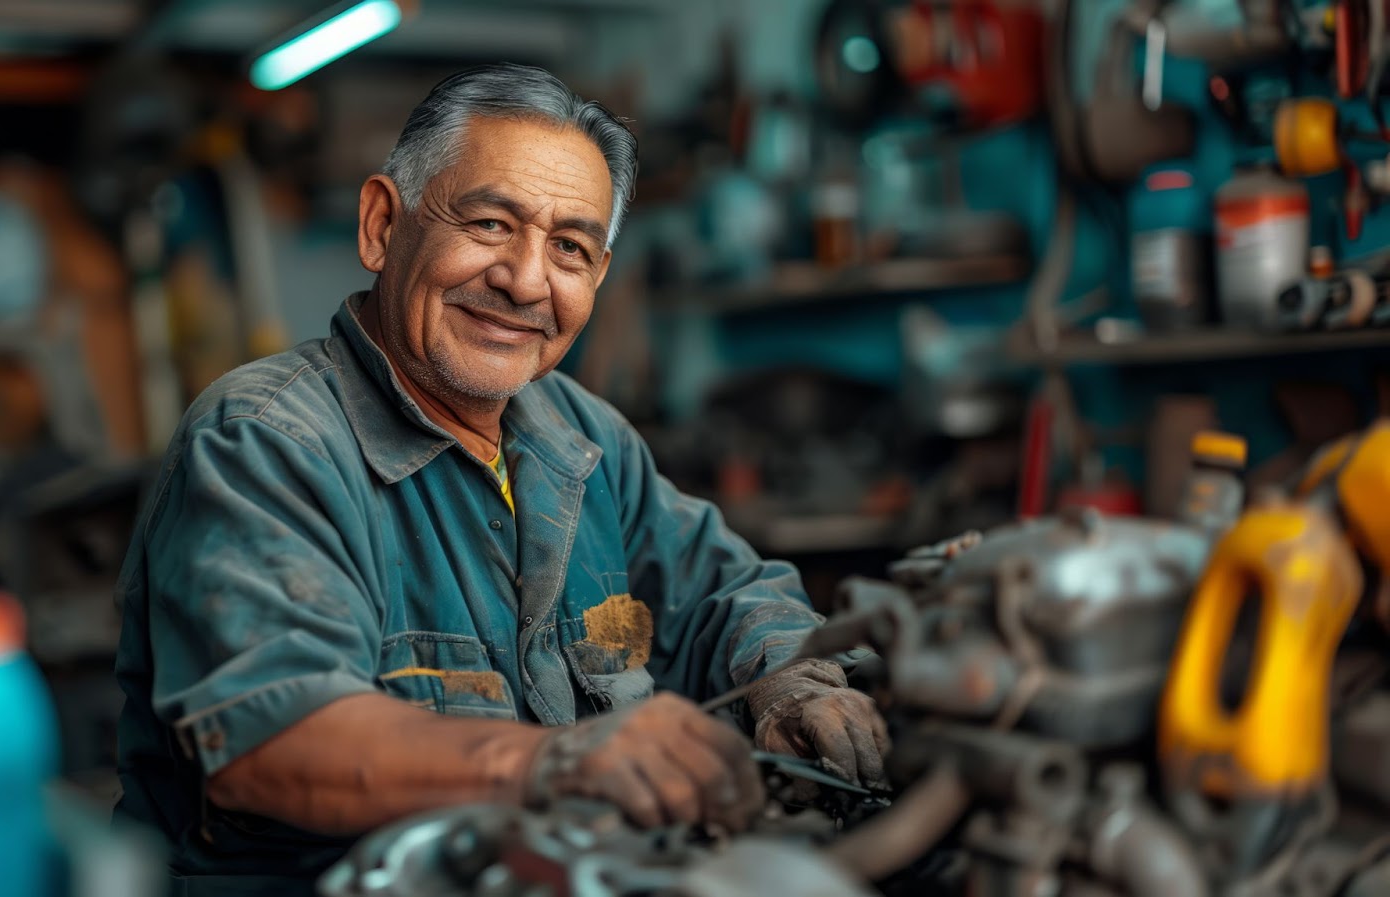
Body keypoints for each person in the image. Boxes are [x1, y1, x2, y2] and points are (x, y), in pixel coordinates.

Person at [113, 63, 889, 895]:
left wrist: (790, 678)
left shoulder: (584, 438)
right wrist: (559, 760)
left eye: (570, 249)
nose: (525, 281)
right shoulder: (266, 441)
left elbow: (724, 593)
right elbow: (273, 743)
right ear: (382, 225)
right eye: (489, 222)